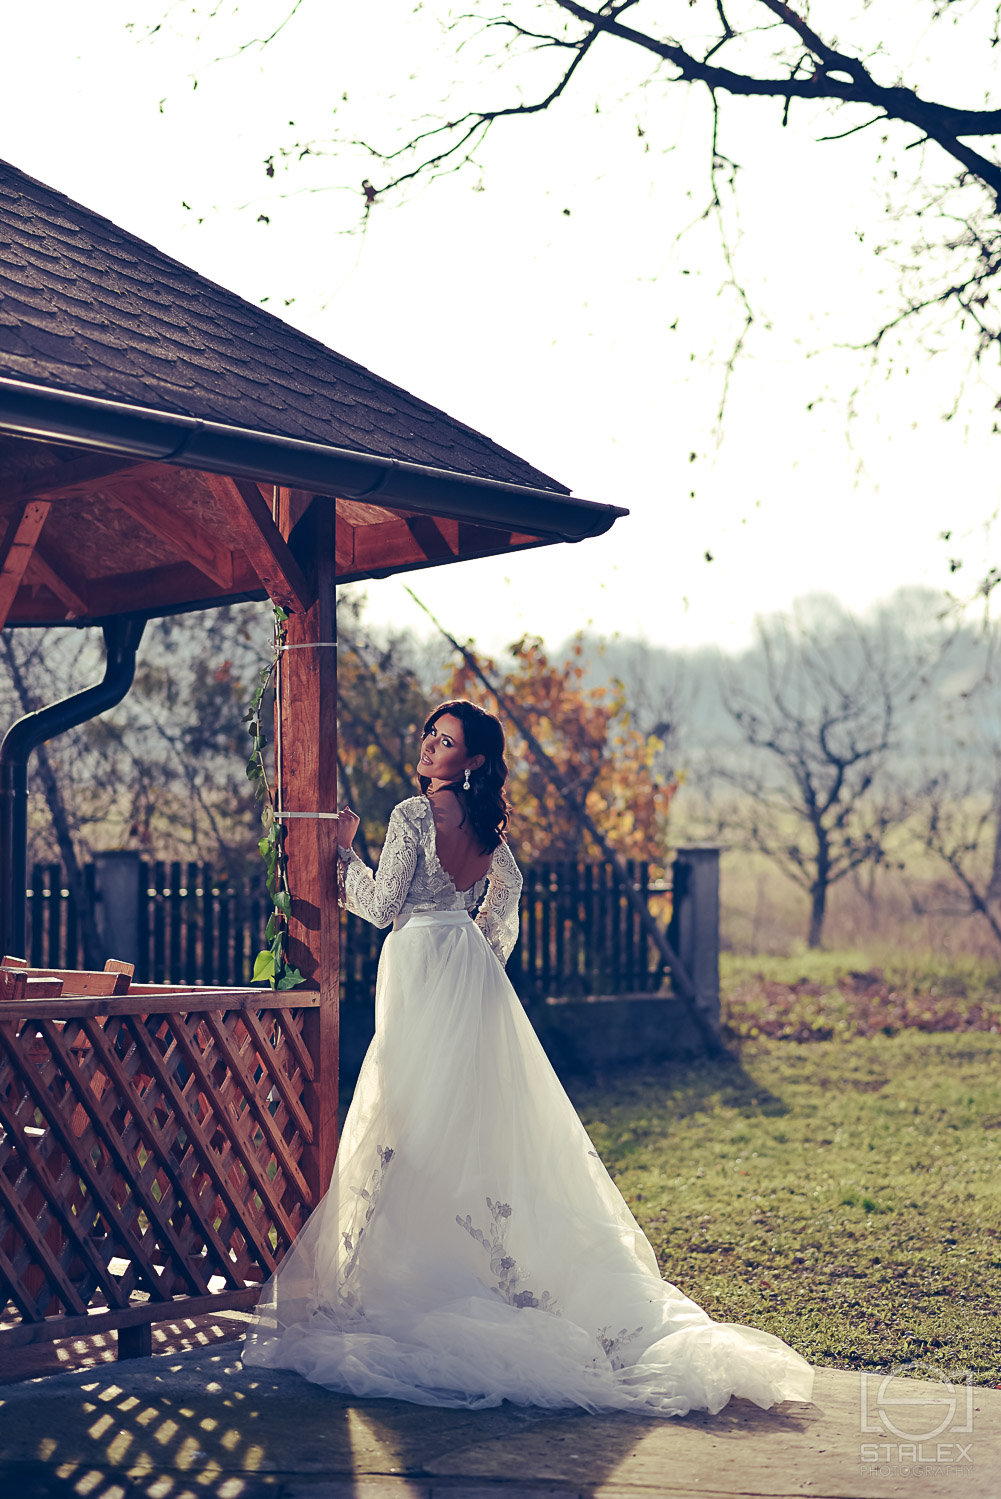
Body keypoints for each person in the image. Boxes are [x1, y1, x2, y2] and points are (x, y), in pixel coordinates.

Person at [243, 699, 814, 1416]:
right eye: (430, 734)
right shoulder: (485, 826)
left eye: (445, 741)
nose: (429, 746)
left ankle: (419, 1268)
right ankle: (460, 1261)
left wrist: (342, 851)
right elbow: (508, 889)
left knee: (413, 1115)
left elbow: (382, 907)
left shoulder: (415, 814)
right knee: (465, 1118)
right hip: (463, 968)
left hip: (419, 961)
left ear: (472, 760)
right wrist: (480, 949)